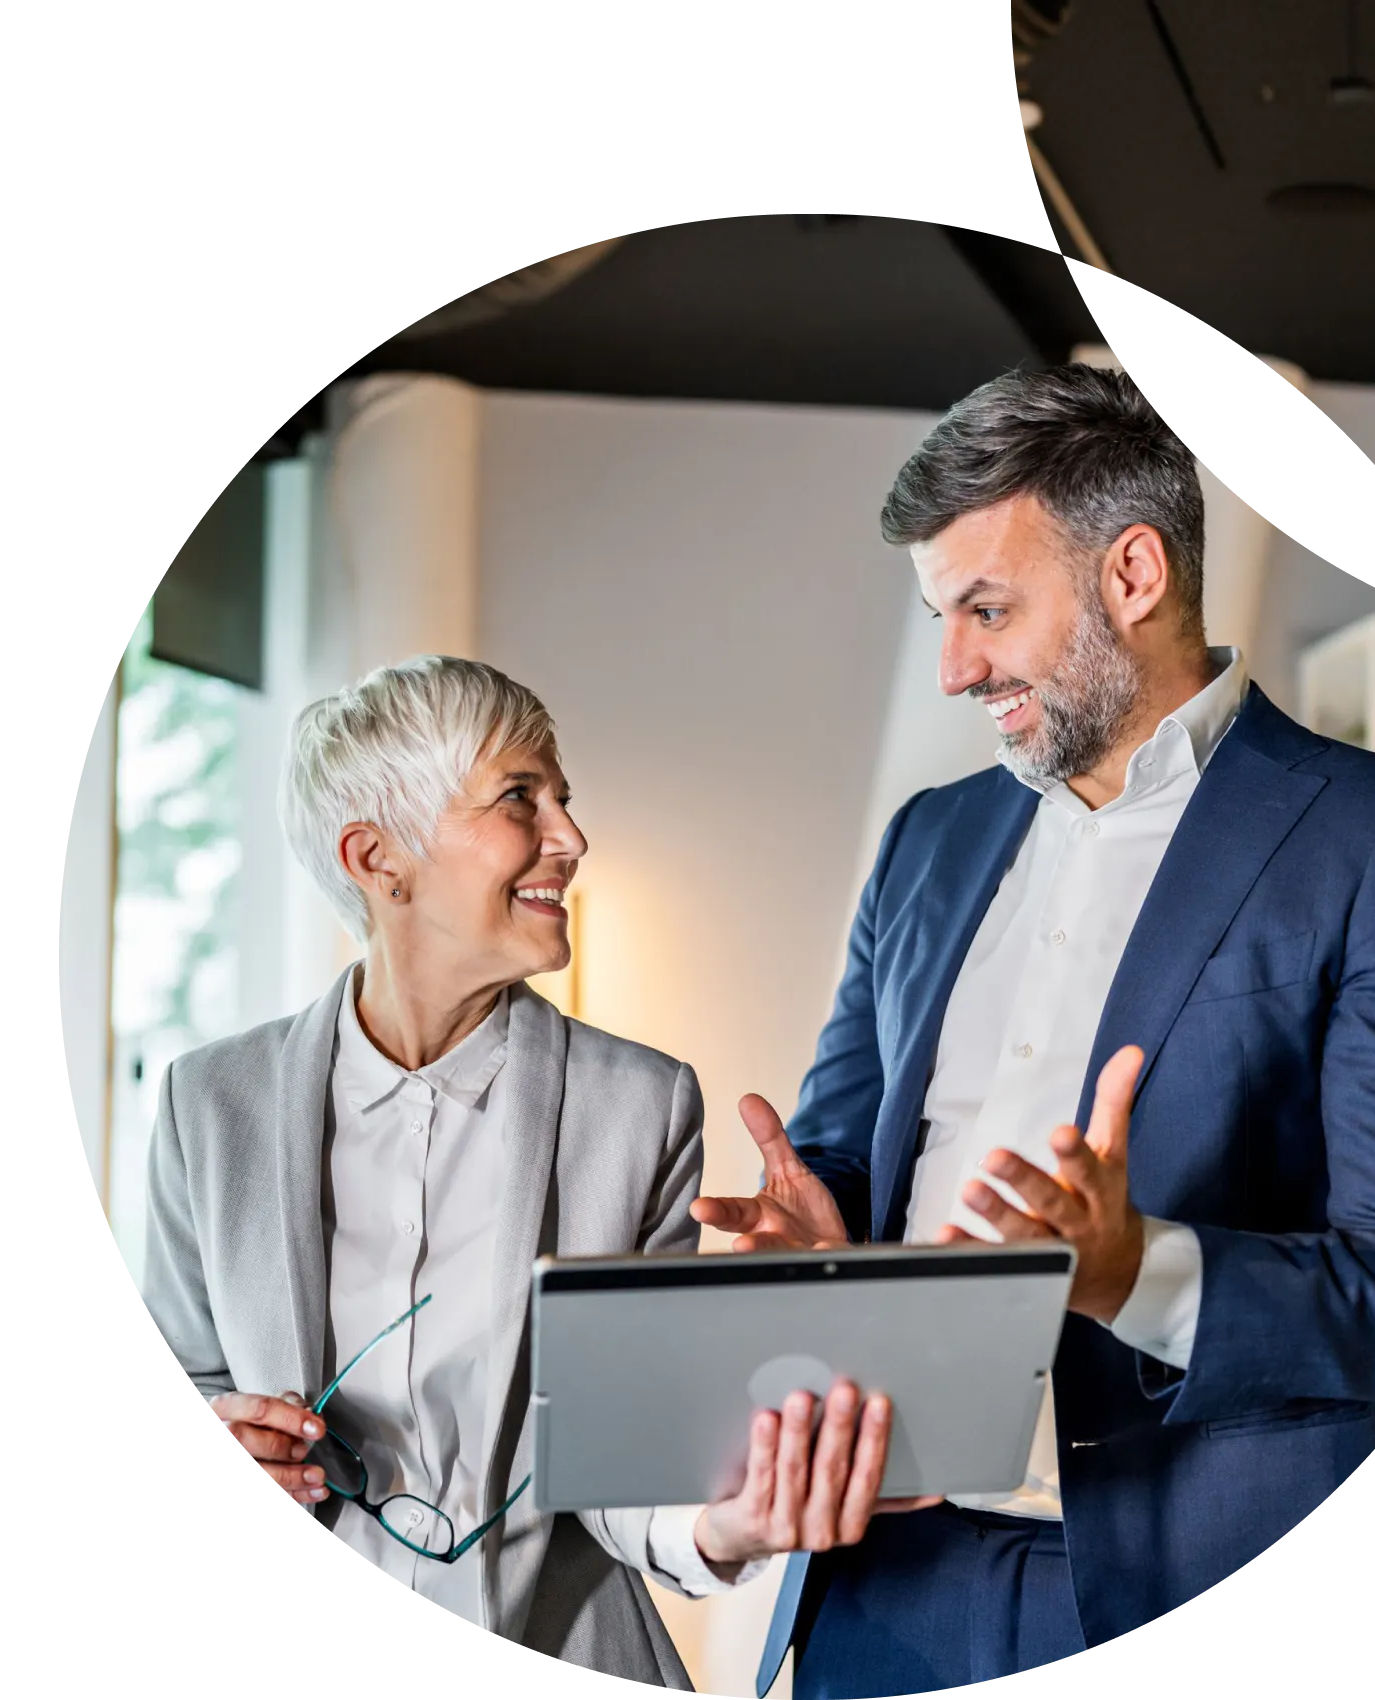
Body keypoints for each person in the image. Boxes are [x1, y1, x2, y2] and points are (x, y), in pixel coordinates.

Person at [691, 364, 1375, 1699]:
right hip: (883, 1596)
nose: (957, 666)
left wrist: (1137, 1270)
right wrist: (812, 1240)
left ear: (1134, 574)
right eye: (941, 617)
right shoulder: (929, 842)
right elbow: (846, 1157)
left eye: (988, 609)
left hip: (1186, 1567)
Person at [141, 655, 935, 1689]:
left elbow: (625, 1459)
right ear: (379, 856)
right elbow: (194, 1370)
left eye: (563, 795)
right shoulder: (211, 1103)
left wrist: (727, 1525)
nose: (570, 835)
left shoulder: (640, 1106)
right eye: (522, 795)